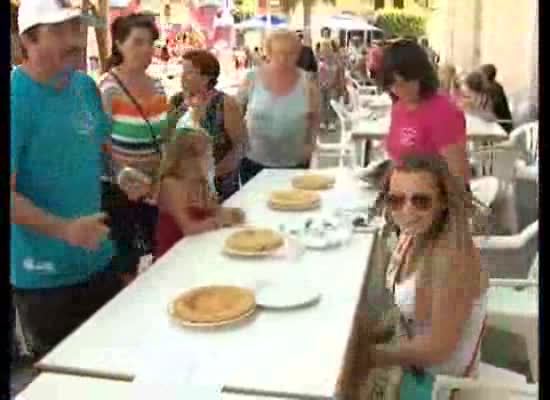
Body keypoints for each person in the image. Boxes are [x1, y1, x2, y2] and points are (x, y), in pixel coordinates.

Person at [11, 0, 126, 358]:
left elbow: (99, 149)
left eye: (77, 28)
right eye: (59, 30)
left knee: (116, 368)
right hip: (45, 281)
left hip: (99, 262)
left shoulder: (84, 87)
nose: (76, 40)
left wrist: (123, 173)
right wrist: (64, 229)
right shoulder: (16, 98)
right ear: (27, 41)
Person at [361, 153, 488, 400]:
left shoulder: (453, 259)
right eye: (396, 200)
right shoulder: (412, 235)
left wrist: (371, 355)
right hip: (414, 362)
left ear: (442, 202)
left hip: (441, 385)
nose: (406, 210)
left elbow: (436, 350)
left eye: (421, 201)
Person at [98, 13, 168, 283]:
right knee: (125, 264)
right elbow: (100, 144)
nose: (146, 50)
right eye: (137, 42)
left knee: (159, 255)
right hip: (120, 193)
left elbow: (163, 140)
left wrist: (159, 181)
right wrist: (124, 176)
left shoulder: (158, 85)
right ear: (119, 44)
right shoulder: (108, 88)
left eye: (150, 43)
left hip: (153, 192)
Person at [380, 40, 470, 187]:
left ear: (420, 76)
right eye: (392, 84)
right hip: (404, 192)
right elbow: (398, 158)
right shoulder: (399, 108)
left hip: (434, 199)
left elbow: (458, 175)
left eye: (404, 83)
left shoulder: (443, 111)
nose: (397, 90)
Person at [237, 29, 321, 184]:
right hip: (253, 159)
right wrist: (239, 143)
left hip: (294, 162)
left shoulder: (307, 82)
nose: (284, 58)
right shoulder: (252, 78)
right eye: (278, 53)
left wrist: (310, 145)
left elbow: (315, 118)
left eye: (290, 53)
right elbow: (235, 112)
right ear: (268, 53)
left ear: (298, 54)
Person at [167, 49, 246, 202]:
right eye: (182, 71)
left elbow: (240, 146)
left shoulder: (224, 104)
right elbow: (167, 140)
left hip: (219, 185)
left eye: (189, 73)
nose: (182, 77)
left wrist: (212, 174)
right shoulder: (176, 102)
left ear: (206, 78)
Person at [154, 132, 245, 258]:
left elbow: (213, 210)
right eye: (207, 155)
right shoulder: (171, 184)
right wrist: (220, 221)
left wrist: (233, 214)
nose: (213, 160)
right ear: (188, 160)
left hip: (200, 243)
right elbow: (189, 228)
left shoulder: (200, 180)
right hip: (174, 252)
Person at [318, 40, 345, 131]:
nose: (325, 51)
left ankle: (332, 122)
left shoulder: (336, 59)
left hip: (334, 85)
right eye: (323, 49)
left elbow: (341, 72)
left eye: (327, 49)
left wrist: (342, 87)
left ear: (331, 49)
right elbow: (315, 73)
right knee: (322, 104)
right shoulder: (319, 59)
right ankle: (322, 121)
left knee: (332, 104)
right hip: (321, 85)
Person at [480, 64, 513, 132]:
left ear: (485, 75)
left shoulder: (491, 88)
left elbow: (493, 109)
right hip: (502, 124)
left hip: (500, 125)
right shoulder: (496, 86)